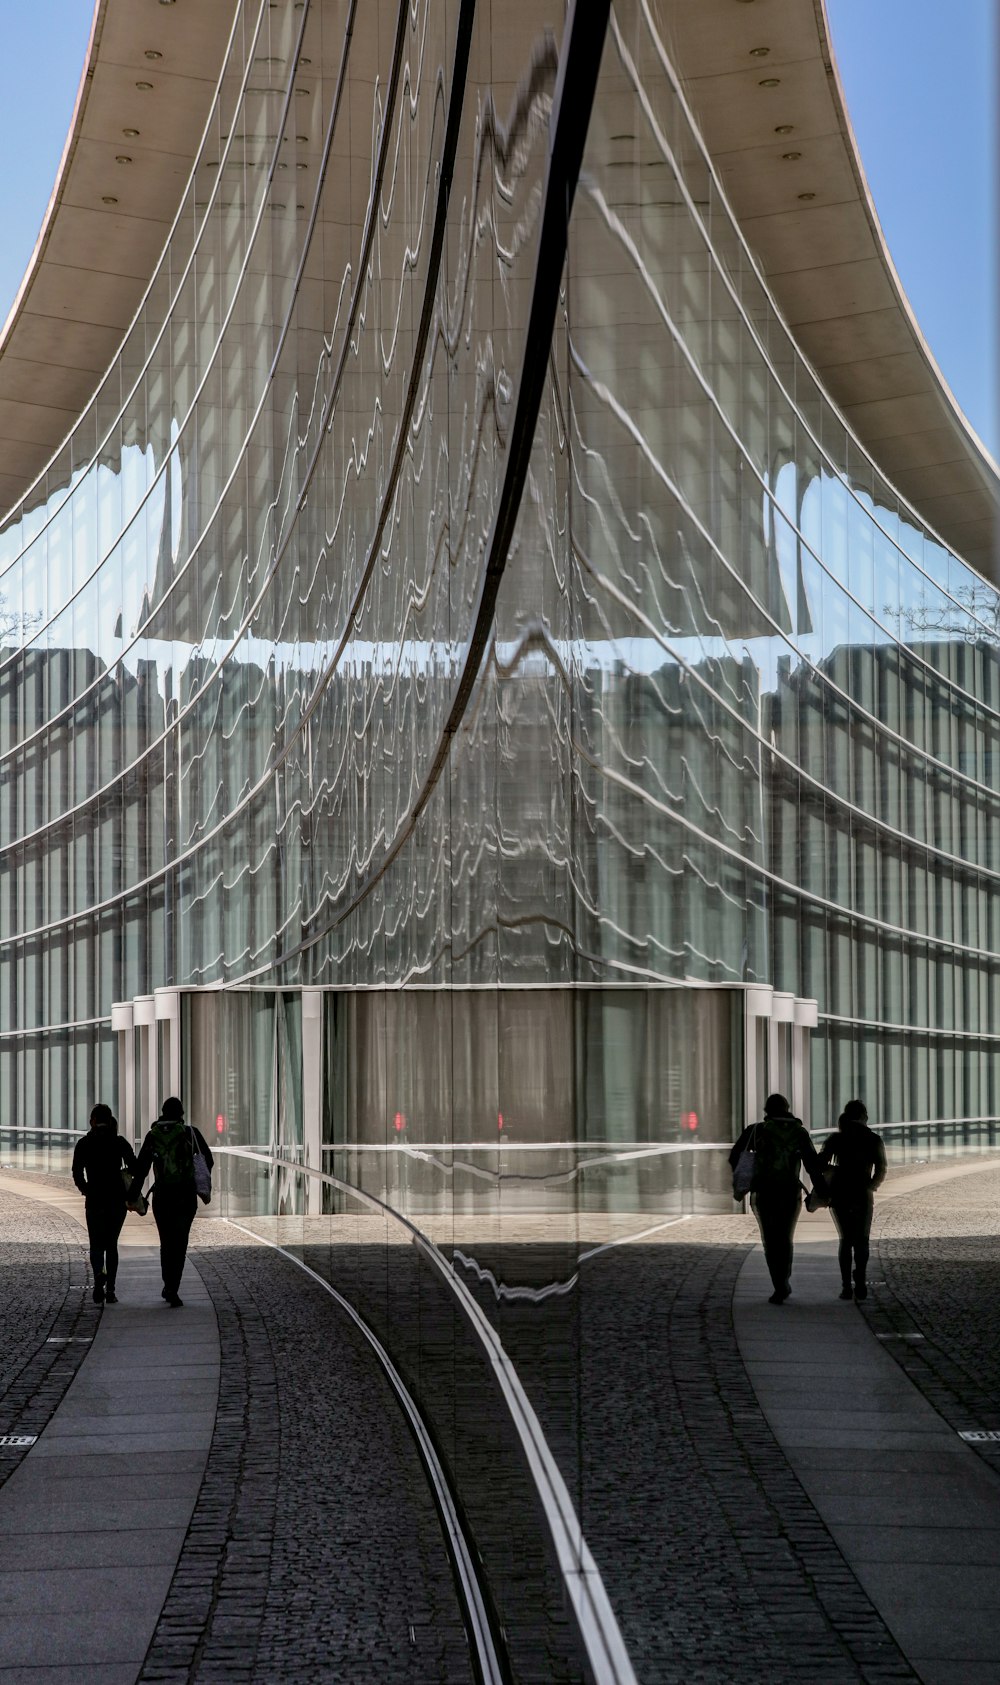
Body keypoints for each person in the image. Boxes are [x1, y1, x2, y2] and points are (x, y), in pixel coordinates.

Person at [730, 1092, 827, 1305]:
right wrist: (822, 1191)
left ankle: (778, 1284)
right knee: (785, 1237)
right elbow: (812, 1165)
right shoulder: (799, 1133)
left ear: (767, 1111)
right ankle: (784, 1280)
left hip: (764, 1192)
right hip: (790, 1192)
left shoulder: (756, 1131)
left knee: (770, 1239)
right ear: (788, 1108)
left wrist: (748, 1174)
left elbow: (735, 1155)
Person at [129, 1096, 213, 1308]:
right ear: (181, 1114)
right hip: (185, 1195)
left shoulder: (152, 1135)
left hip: (163, 1196)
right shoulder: (190, 1133)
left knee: (166, 1242)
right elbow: (208, 1159)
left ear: (162, 1113)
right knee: (180, 1241)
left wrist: (133, 1195)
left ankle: (168, 1285)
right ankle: (174, 1287)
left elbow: (141, 1168)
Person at [818, 1098, 887, 1302]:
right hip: (862, 1193)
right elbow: (881, 1168)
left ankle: (846, 1286)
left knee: (846, 1239)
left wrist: (832, 1173)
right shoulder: (873, 1139)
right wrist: (871, 1185)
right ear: (863, 1116)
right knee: (862, 1238)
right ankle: (861, 1280)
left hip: (840, 1192)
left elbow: (820, 1162)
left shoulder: (836, 1138)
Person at [72, 1103, 138, 1305]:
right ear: (110, 1121)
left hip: (94, 1199)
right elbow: (135, 1167)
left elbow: (76, 1172)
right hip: (116, 1199)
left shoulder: (84, 1143)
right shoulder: (118, 1142)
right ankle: (111, 1290)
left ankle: (98, 1279)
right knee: (111, 1244)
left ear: (92, 1120)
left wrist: (86, 1189)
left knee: (96, 1243)